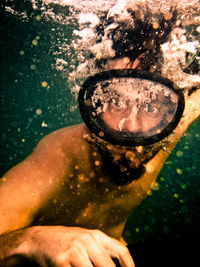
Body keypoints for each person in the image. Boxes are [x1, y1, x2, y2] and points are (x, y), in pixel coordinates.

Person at [0, 2, 200, 267]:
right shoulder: (60, 156)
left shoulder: (168, 129)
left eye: (152, 105)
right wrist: (31, 241)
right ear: (92, 102)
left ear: (171, 112)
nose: (129, 127)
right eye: (115, 101)